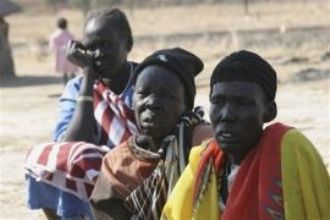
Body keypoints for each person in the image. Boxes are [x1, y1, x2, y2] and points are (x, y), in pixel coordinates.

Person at [162, 50, 330, 220]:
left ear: (269, 111)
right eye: (218, 102)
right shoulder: (203, 161)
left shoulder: (289, 151)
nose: (227, 115)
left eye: (242, 103)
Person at [25, 8, 138, 219]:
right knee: (42, 158)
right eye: (91, 48)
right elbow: (70, 145)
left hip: (138, 174)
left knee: (88, 159)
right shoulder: (78, 87)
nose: (99, 53)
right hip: (92, 177)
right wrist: (87, 77)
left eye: (106, 44)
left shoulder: (145, 80)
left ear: (128, 44)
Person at [90, 48, 213, 220]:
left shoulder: (203, 144)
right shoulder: (117, 164)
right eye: (143, 93)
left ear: (187, 105)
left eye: (167, 95)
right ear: (132, 100)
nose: (152, 103)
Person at [49, 17, 78, 85]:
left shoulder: (55, 35)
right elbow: (74, 44)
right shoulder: (70, 34)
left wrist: (60, 49)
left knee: (64, 73)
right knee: (72, 73)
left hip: (61, 57)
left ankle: (66, 87)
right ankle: (75, 86)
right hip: (70, 56)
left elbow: (52, 47)